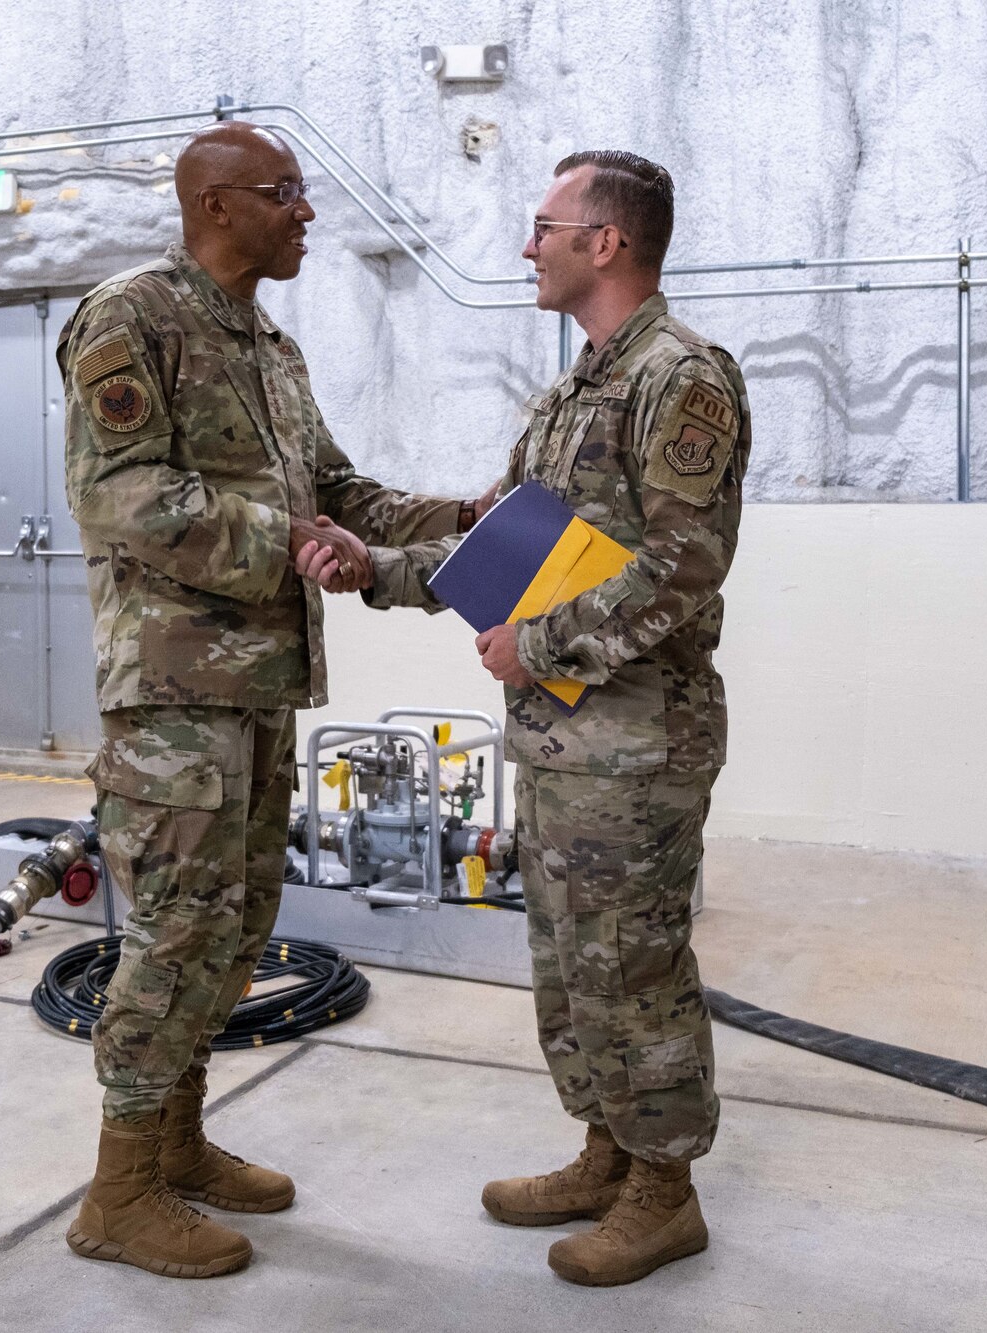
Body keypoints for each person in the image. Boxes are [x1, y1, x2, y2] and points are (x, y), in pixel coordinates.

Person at [307, 150, 750, 1287]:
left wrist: (537, 643)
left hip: (636, 742)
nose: (525, 246)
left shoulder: (681, 378)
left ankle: (663, 1190)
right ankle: (605, 1148)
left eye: (544, 225)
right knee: (568, 961)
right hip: (560, 738)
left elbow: (682, 567)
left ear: (604, 242)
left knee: (633, 964)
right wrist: (374, 567)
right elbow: (500, 558)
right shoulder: (568, 395)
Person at [56, 120, 469, 1280]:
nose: (306, 215)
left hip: (257, 693)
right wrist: (289, 543)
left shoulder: (269, 348)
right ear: (218, 206)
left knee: (233, 929)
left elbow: (335, 490)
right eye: (286, 195)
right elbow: (127, 497)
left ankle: (177, 1142)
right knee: (175, 930)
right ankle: (118, 1191)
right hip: (175, 691)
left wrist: (462, 518)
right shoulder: (128, 316)